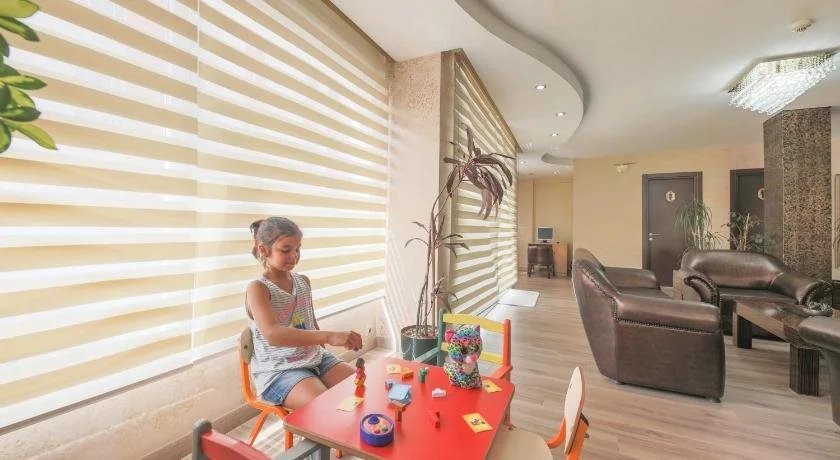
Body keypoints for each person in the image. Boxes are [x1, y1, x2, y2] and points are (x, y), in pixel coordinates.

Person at [246, 217, 363, 409]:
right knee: (326, 407)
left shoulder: (303, 282)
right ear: (264, 250)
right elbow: (273, 335)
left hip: (315, 358)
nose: (294, 256)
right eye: (286, 250)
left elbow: (310, 324)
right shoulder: (258, 288)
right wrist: (330, 336)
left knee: (360, 390)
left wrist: (332, 345)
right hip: (279, 370)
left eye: (297, 249)